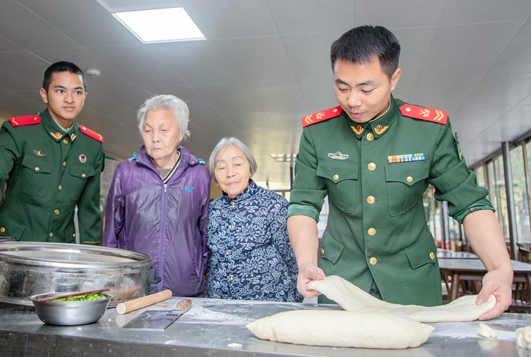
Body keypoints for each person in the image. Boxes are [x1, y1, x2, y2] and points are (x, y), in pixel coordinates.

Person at [287, 25, 513, 319]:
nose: (352, 100)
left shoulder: (428, 131)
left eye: (366, 88)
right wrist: (306, 262)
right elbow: (303, 205)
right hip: (342, 282)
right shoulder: (318, 134)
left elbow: (470, 204)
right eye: (342, 87)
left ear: (394, 78)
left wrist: (501, 268)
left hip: (411, 284)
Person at [0, 61, 104, 272]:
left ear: (84, 97)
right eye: (60, 90)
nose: (70, 99)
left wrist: (92, 262)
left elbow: (89, 210)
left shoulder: (92, 145)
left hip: (59, 257)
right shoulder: (20, 132)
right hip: (10, 251)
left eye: (77, 92)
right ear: (44, 95)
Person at [102, 95, 210, 297]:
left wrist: (199, 273)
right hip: (135, 289)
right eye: (148, 129)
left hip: (185, 289)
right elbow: (110, 235)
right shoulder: (126, 172)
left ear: (180, 132)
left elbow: (204, 233)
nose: (155, 137)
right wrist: (114, 276)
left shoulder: (198, 174)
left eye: (164, 129)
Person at [206, 137, 301, 302]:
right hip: (221, 306)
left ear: (250, 167)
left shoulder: (274, 205)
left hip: (269, 306)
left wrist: (294, 302)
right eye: (221, 167)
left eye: (237, 164)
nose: (230, 173)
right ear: (215, 175)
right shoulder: (211, 210)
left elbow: (293, 259)